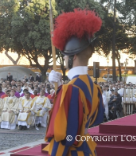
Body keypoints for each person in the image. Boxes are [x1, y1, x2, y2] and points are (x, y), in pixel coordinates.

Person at [44, 9, 104, 155]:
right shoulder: (95, 87)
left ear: (73, 57)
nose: (64, 59)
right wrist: (57, 88)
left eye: (65, 56)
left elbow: (64, 135)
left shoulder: (70, 90)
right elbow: (95, 119)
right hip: (87, 149)